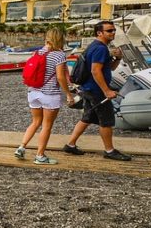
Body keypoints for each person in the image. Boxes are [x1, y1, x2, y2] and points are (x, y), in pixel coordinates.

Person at [63, 21, 132, 161]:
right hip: (97, 91)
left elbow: (110, 68)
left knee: (87, 118)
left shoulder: (97, 47)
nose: (113, 33)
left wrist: (118, 58)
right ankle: (110, 151)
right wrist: (106, 90)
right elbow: (95, 71)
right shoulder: (100, 48)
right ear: (99, 33)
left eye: (113, 30)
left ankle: (70, 145)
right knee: (106, 121)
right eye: (109, 31)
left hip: (89, 89)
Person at [15, 27, 74, 165]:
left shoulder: (38, 52)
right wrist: (68, 94)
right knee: (46, 126)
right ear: (60, 39)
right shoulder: (59, 55)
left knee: (35, 122)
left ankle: (21, 147)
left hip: (33, 92)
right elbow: (60, 77)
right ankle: (40, 156)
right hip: (49, 94)